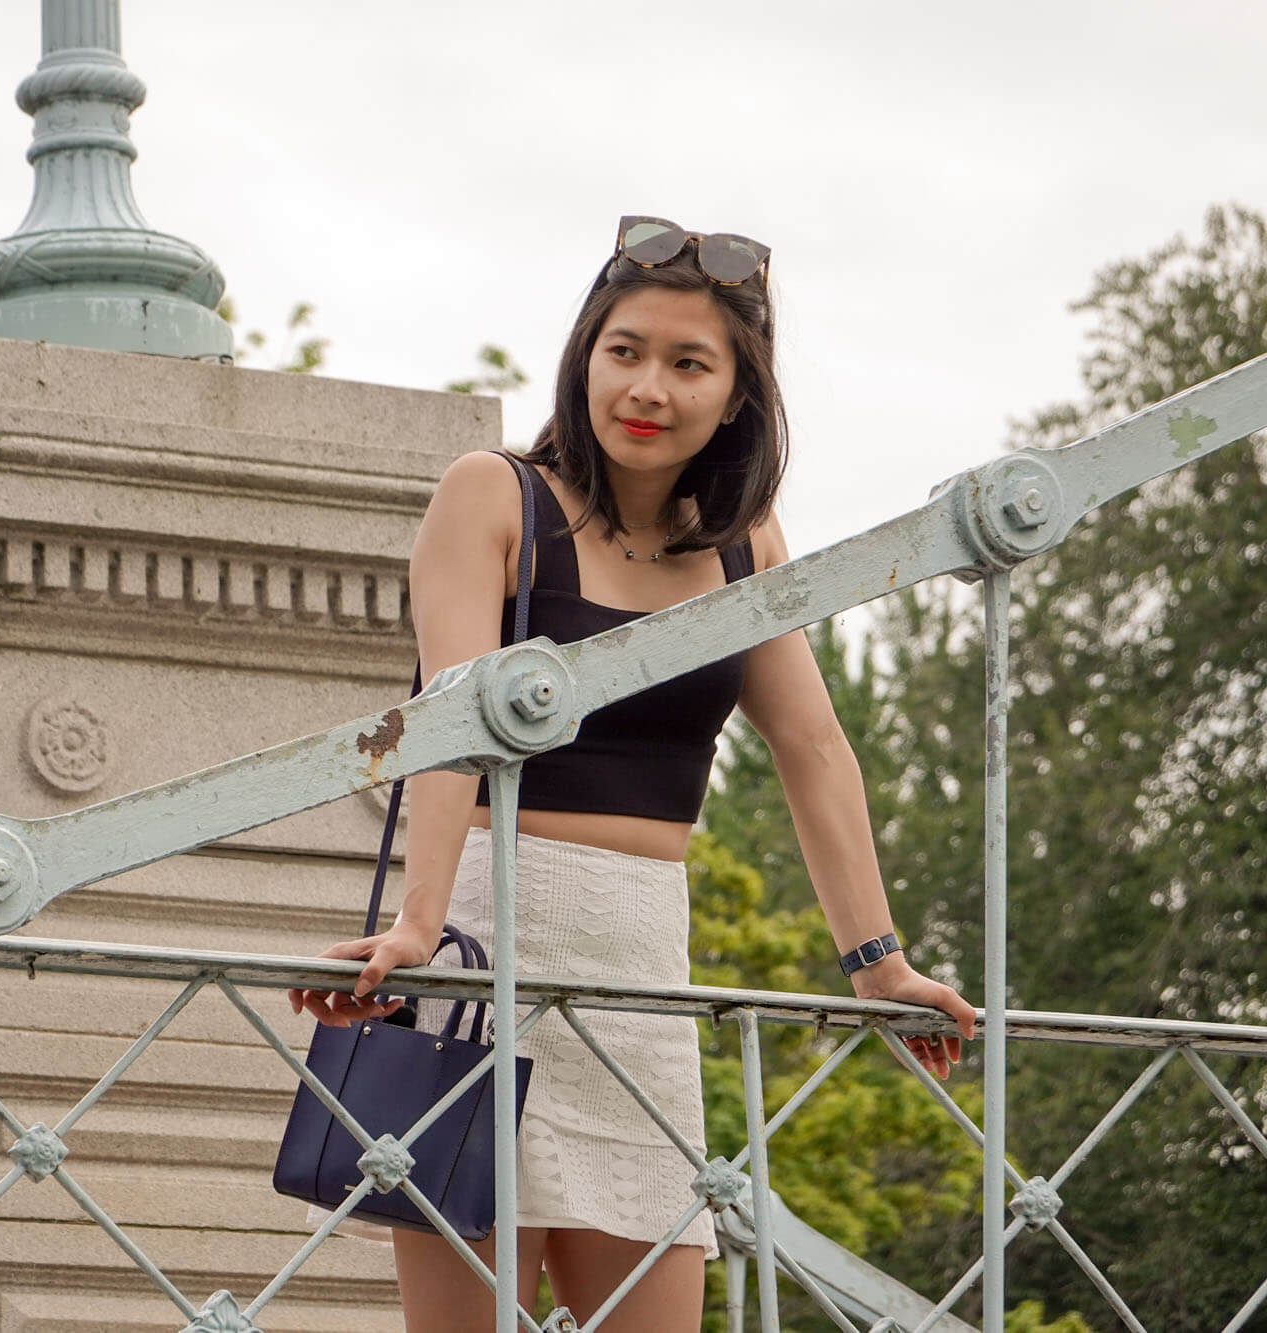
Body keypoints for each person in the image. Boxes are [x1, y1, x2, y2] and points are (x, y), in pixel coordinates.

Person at [287, 217, 979, 1331]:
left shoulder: (745, 545)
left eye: (686, 363)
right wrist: (416, 930)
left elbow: (811, 747)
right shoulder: (493, 498)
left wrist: (878, 965)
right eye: (624, 351)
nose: (646, 386)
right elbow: (450, 724)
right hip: (480, 961)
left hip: (639, 979)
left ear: (736, 395)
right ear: (583, 356)